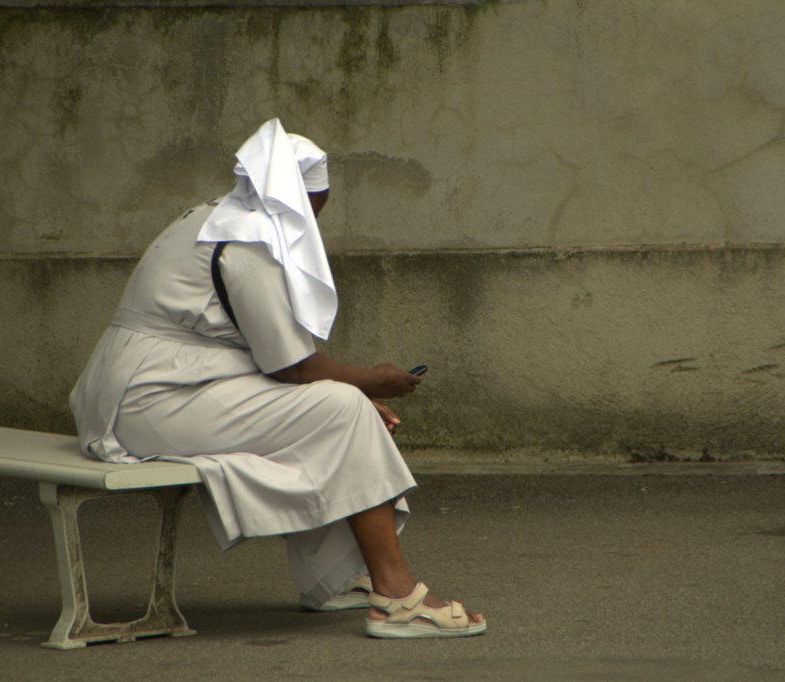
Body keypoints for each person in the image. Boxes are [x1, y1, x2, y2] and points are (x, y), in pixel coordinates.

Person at [69, 118, 485, 639]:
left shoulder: (212, 215)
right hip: (149, 403)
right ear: (288, 198)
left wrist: (338, 393)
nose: (314, 220)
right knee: (344, 410)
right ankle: (397, 600)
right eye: (312, 208)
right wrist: (370, 383)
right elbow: (293, 366)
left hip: (140, 389)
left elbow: (267, 357)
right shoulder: (248, 246)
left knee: (335, 411)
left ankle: (336, 578)